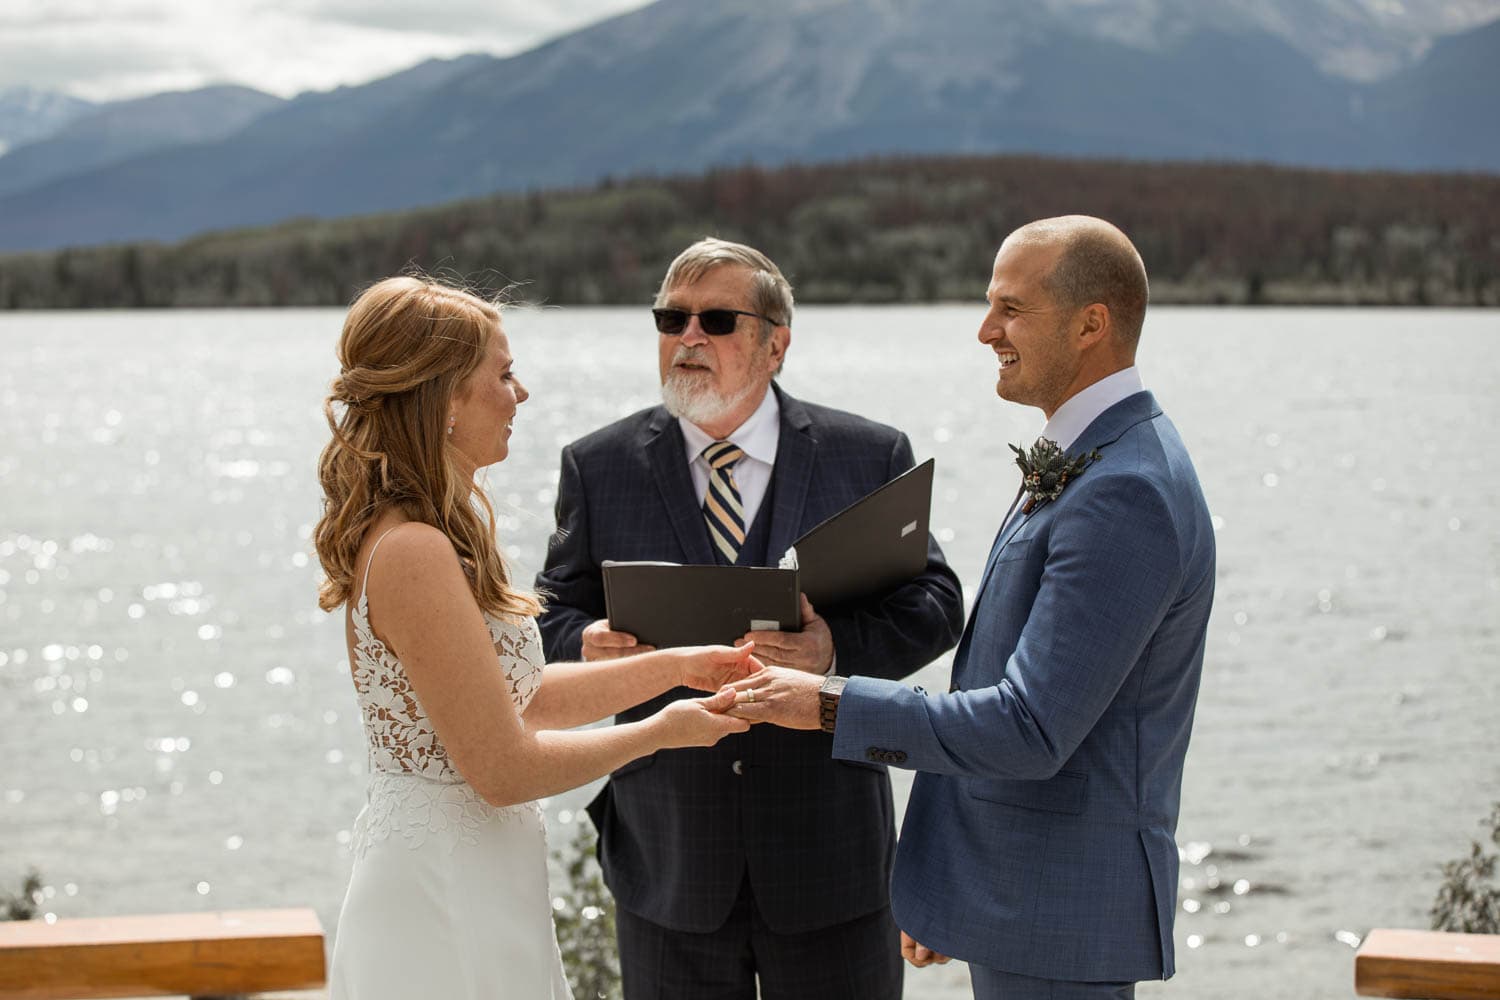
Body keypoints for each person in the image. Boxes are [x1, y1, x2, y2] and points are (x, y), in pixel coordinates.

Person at [726, 217, 1217, 1000]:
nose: (986, 330)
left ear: (1093, 324)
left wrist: (824, 704)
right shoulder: (1096, 456)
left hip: (1059, 918)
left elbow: (1030, 729)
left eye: (1011, 309)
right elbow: (992, 671)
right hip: (1015, 897)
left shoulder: (1126, 490)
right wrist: (945, 873)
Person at [535, 238, 965, 1000]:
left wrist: (834, 646)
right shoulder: (596, 467)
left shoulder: (866, 455)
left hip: (831, 856)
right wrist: (588, 644)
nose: (688, 337)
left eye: (717, 320)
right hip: (668, 855)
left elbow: (935, 604)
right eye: (672, 319)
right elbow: (549, 617)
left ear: (776, 345)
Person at [314, 276, 761, 1000]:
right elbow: (503, 768)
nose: (520, 394)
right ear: (445, 398)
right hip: (442, 892)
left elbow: (516, 699)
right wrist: (660, 733)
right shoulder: (414, 550)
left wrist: (680, 666)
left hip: (477, 874)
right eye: (504, 373)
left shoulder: (434, 533)